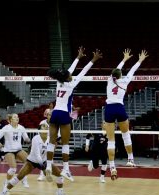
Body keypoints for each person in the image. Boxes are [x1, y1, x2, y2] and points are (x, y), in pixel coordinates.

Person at [46, 46, 102, 182]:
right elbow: (83, 71)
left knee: (51, 142)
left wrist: (78, 57)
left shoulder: (59, 82)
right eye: (70, 75)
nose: (72, 75)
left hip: (55, 114)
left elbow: (69, 70)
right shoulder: (71, 84)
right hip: (65, 114)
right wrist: (93, 60)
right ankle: (66, 169)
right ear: (68, 78)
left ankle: (48, 167)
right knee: (65, 143)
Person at [104, 48, 148, 180]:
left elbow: (116, 70)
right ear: (120, 76)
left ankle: (112, 167)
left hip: (109, 108)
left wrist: (123, 59)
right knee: (125, 135)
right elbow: (132, 70)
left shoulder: (109, 80)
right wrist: (140, 60)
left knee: (111, 140)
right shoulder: (125, 81)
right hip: (119, 107)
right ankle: (130, 159)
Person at [0, 123, 68, 195]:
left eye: (47, 127)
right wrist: (44, 168)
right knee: (19, 177)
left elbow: (50, 154)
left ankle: (60, 194)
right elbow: (37, 155)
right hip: (32, 161)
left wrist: (47, 166)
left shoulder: (51, 139)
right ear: (39, 130)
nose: (46, 127)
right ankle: (3, 192)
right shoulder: (35, 139)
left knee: (59, 174)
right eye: (43, 126)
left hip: (44, 161)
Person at [0, 114, 31, 189]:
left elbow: (26, 139)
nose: (17, 118)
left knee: (29, 162)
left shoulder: (21, 128)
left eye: (17, 117)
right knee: (13, 169)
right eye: (15, 117)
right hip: (9, 150)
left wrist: (31, 142)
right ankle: (7, 181)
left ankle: (23, 178)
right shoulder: (6, 127)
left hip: (18, 150)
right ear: (11, 119)